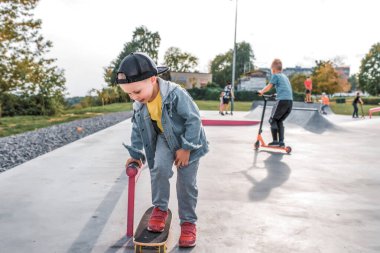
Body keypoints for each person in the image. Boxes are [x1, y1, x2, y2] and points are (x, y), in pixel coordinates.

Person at [116, 52, 209, 247]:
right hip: (164, 139)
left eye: (137, 92)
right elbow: (137, 128)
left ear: (152, 79)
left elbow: (194, 119)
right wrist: (135, 155)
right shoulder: (139, 104)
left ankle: (188, 223)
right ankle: (160, 209)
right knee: (159, 168)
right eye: (129, 94)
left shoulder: (175, 94)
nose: (134, 97)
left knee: (186, 184)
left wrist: (187, 148)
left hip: (188, 140)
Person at [259, 59, 293, 147]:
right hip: (290, 102)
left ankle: (275, 141)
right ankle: (281, 142)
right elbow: (286, 89)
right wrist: (276, 94)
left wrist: (261, 92)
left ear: (273, 69)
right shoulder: (285, 77)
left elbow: (269, 86)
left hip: (282, 101)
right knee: (279, 120)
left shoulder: (275, 75)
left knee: (272, 120)